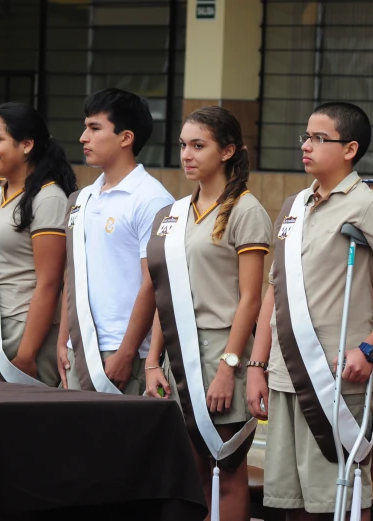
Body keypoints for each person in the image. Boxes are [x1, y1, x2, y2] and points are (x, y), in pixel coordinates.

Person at [249, 102, 373, 520]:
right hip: (284, 374)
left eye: (319, 138)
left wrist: (370, 349)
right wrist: (257, 365)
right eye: (305, 137)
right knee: (287, 503)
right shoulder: (295, 206)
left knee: (338, 499)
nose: (306, 146)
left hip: (335, 377)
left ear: (350, 149)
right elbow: (275, 290)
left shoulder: (366, 205)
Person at [145, 106, 272, 521]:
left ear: (228, 150)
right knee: (191, 471)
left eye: (199, 145)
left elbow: (250, 299)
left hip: (222, 354)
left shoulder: (246, 210)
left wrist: (228, 367)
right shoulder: (174, 214)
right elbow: (165, 293)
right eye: (183, 145)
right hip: (178, 357)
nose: (187, 154)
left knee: (225, 470)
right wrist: (151, 363)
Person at [57, 87, 174, 395]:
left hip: (121, 353)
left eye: (95, 128)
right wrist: (63, 339)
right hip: (76, 346)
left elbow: (154, 283)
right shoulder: (82, 198)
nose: (83, 137)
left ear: (126, 138)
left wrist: (126, 352)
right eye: (86, 127)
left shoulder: (151, 199)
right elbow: (73, 274)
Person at [0, 102, 77, 386]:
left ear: (27, 145)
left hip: (21, 335)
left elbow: (49, 282)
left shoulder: (49, 198)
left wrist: (27, 354)